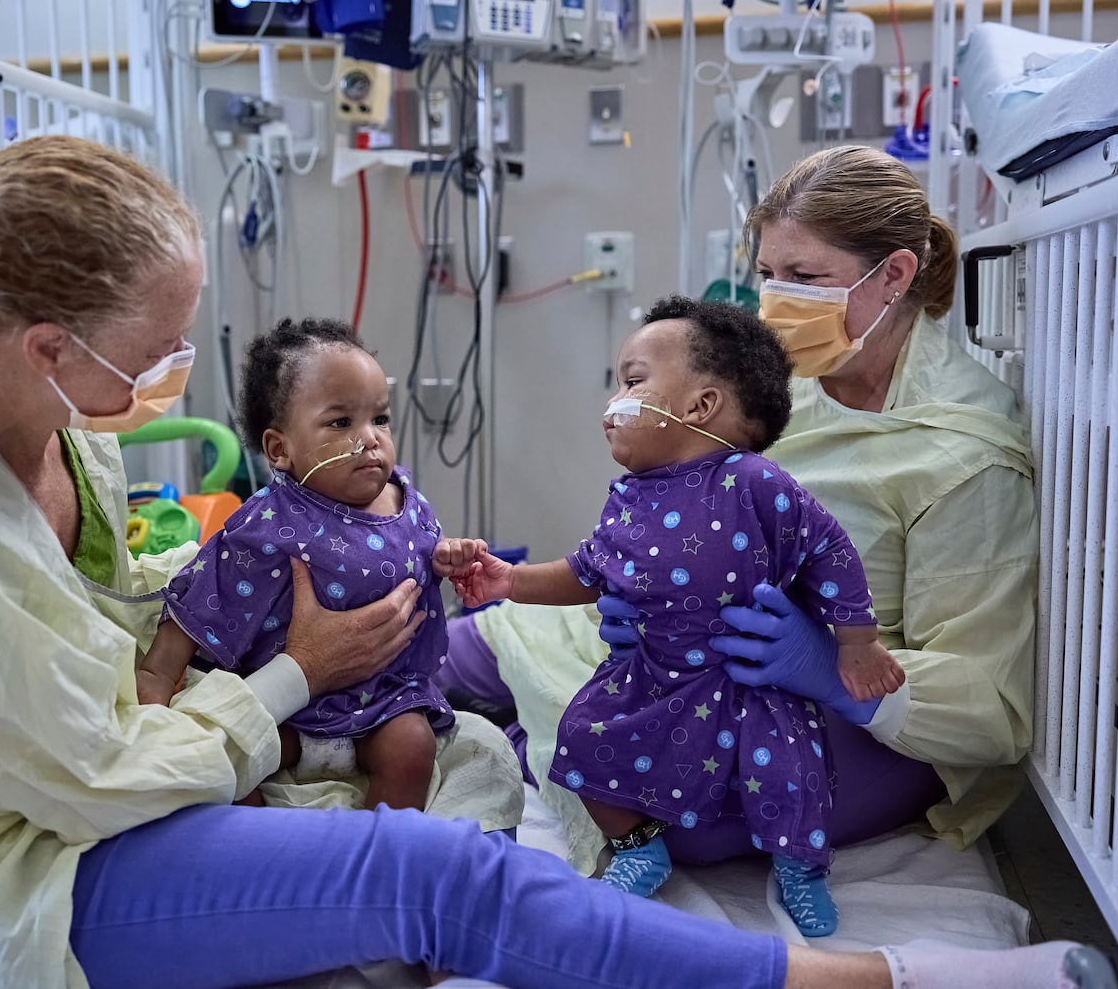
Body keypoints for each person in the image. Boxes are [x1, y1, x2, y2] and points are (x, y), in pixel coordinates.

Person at [0, 127, 1093, 989]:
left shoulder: (71, 430)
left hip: (102, 779)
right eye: (167, 346)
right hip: (23, 862)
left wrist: (276, 667)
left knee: (426, 702)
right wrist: (287, 682)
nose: (181, 374)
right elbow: (91, 774)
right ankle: (872, 978)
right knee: (437, 861)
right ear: (56, 346)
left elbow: (135, 635)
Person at [440, 144, 1039, 888]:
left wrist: (826, 663)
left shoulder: (964, 457)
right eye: (769, 273)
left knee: (677, 818)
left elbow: (994, 708)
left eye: (807, 277)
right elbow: (680, 490)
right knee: (439, 651)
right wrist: (637, 585)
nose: (775, 301)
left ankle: (500, 748)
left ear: (894, 275)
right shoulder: (789, 387)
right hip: (681, 648)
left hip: (846, 711)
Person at [437, 299, 891, 937]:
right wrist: (511, 581)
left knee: (787, 774)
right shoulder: (628, 499)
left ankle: (801, 868)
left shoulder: (752, 482)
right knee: (583, 738)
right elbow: (585, 571)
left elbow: (831, 550)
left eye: (631, 380)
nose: (612, 401)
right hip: (652, 677)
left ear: (699, 407)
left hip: (746, 682)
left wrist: (854, 645)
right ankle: (639, 845)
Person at [141, 318, 456, 812]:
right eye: (340, 423)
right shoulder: (268, 521)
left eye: (380, 418)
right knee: (227, 762)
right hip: (287, 709)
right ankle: (263, 856)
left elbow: (423, 556)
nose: (369, 439)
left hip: (381, 704)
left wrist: (451, 557)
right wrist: (159, 675)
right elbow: (205, 594)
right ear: (280, 449)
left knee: (413, 748)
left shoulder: (406, 499)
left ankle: (390, 856)